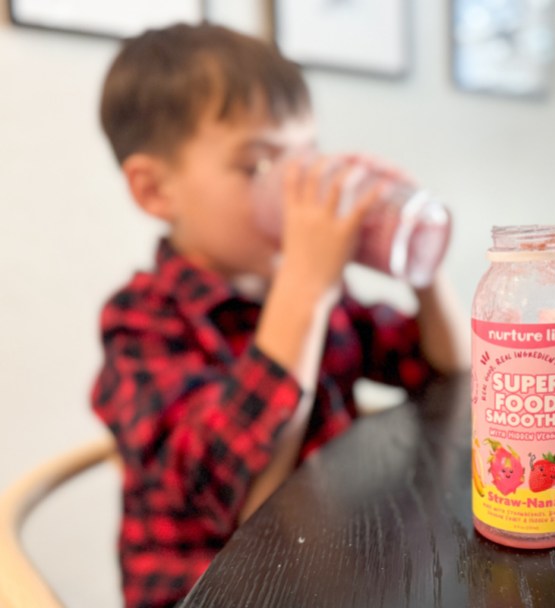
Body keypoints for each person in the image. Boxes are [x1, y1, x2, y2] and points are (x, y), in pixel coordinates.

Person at [90, 23, 467, 608]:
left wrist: (421, 262)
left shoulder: (309, 291)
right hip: (219, 591)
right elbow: (236, 500)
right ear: (155, 190)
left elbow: (444, 368)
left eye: (305, 157)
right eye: (259, 166)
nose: (298, 191)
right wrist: (306, 286)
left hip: (329, 566)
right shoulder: (143, 326)